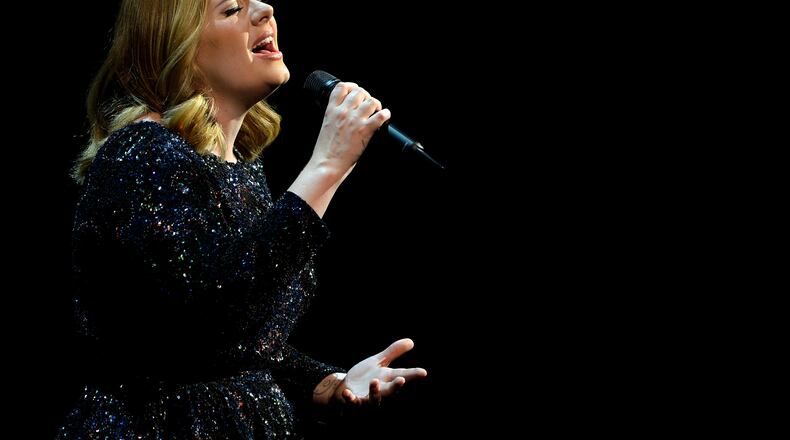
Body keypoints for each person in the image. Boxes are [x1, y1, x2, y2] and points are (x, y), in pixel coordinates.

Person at [57, 0, 427, 438]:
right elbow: (202, 321)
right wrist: (327, 165)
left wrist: (327, 384)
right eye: (232, 8)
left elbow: (237, 343)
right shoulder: (141, 153)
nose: (265, 10)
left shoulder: (242, 167)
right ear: (176, 45)